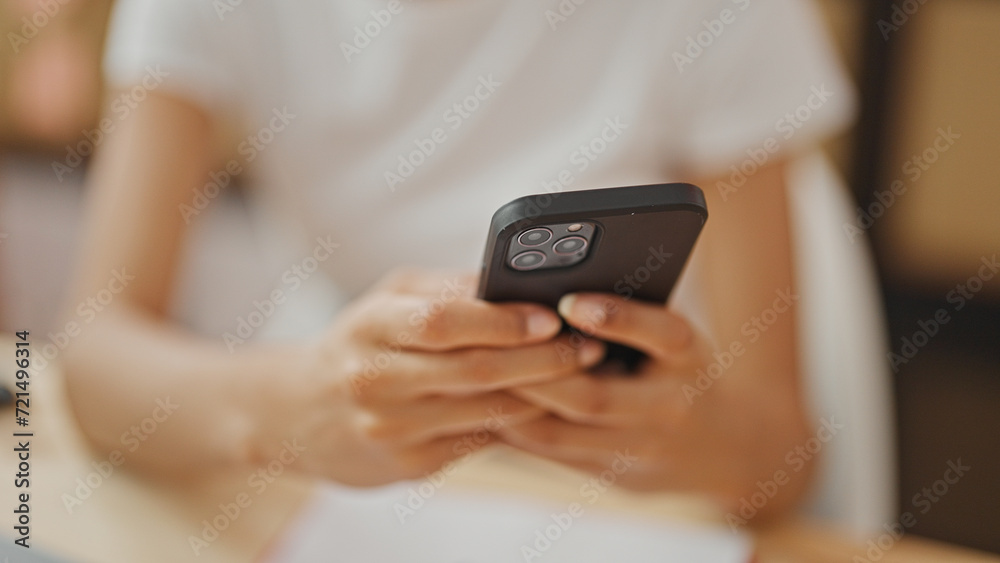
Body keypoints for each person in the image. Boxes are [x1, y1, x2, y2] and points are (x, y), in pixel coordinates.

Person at [62, 0, 857, 524]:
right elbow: (94, 360)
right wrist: (288, 405)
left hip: (628, 498)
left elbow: (782, 457)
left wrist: (694, 439)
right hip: (348, 466)